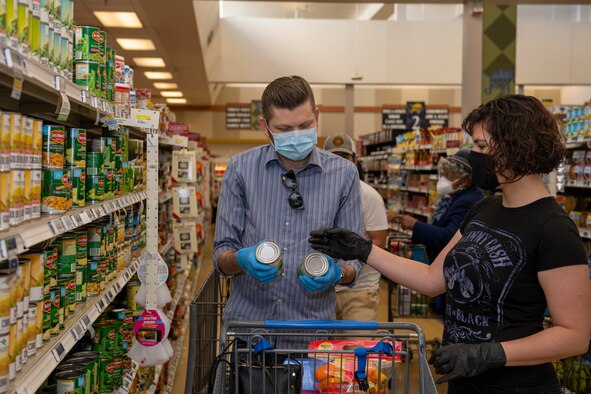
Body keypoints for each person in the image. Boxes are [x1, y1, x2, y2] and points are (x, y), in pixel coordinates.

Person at [309, 94, 591, 393]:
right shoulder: (483, 210)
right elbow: (432, 279)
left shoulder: (553, 228)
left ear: (517, 146)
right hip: (462, 381)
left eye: (482, 145)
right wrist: (364, 249)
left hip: (517, 385)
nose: (473, 154)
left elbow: (574, 335)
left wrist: (491, 353)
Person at [214, 75, 363, 348]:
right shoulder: (240, 169)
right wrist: (241, 260)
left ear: (317, 116)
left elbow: (355, 261)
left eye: (305, 125)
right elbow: (221, 256)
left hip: (313, 335)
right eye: (284, 128)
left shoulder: (345, 174)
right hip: (250, 330)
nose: (296, 135)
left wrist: (338, 273)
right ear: (265, 127)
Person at [323, 134, 388, 326]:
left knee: (356, 350)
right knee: (322, 352)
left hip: (360, 290)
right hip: (321, 291)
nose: (340, 162)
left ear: (354, 160)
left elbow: (379, 241)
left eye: (345, 157)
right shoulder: (315, 194)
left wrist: (349, 267)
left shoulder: (369, 196)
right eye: (333, 157)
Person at [396, 150, 484, 262]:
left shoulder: (467, 201)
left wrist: (415, 225)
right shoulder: (456, 194)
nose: (443, 180)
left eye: (449, 176)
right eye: (443, 174)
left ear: (464, 180)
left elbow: (449, 237)